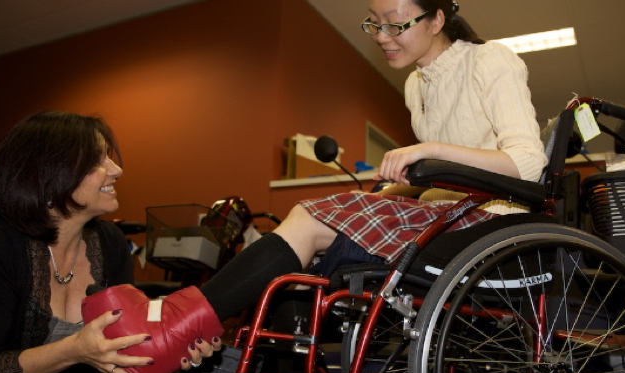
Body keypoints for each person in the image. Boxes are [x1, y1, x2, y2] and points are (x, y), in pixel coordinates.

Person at [198, 0, 547, 322]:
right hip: (443, 216)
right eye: (375, 24)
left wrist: (431, 150)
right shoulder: (415, 85)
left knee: (308, 221)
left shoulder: (490, 60)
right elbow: (444, 178)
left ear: (437, 19)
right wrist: (395, 187)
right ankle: (191, 330)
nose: (382, 36)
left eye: (395, 24)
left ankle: (180, 323)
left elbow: (529, 162)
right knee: (298, 282)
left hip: (490, 224)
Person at [0, 111, 219, 373]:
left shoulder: (111, 243)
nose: (117, 170)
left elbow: (125, 351)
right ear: (46, 175)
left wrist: (175, 348)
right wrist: (72, 350)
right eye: (97, 161)